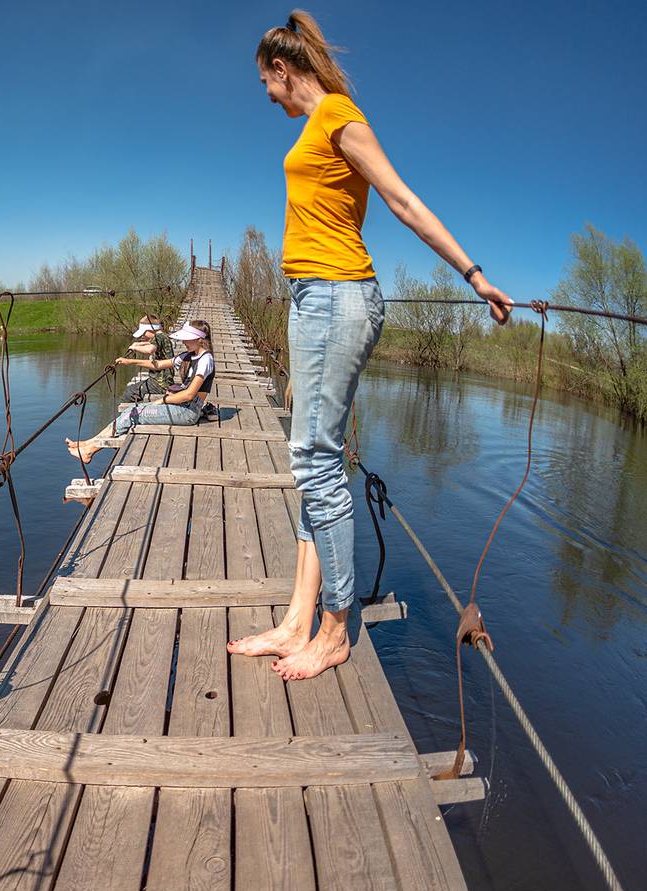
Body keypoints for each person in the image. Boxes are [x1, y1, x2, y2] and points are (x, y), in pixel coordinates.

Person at [227, 11, 512, 682]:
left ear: (282, 70)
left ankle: (334, 628)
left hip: (338, 296)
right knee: (312, 458)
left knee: (315, 459)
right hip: (310, 299)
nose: (264, 95)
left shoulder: (339, 118)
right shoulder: (310, 128)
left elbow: (403, 201)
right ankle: (297, 619)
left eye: (264, 82)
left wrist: (475, 277)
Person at [66, 321, 215, 463]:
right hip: (180, 407)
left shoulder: (205, 360)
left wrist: (162, 401)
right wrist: (129, 361)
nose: (183, 342)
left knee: (133, 414)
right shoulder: (188, 355)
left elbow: (189, 394)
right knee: (131, 409)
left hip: (188, 412)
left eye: (187, 339)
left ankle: (89, 451)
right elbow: (158, 364)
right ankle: (89, 443)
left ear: (199, 339)